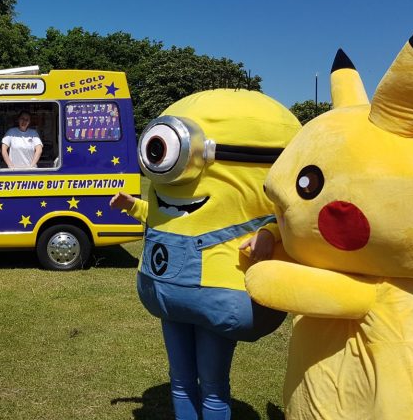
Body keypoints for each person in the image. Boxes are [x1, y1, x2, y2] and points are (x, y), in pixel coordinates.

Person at [110, 89, 301, 420]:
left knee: (212, 384)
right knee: (181, 379)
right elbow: (170, 218)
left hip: (219, 289)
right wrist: (134, 207)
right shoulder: (163, 189)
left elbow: (294, 220)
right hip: (167, 289)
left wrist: (268, 235)